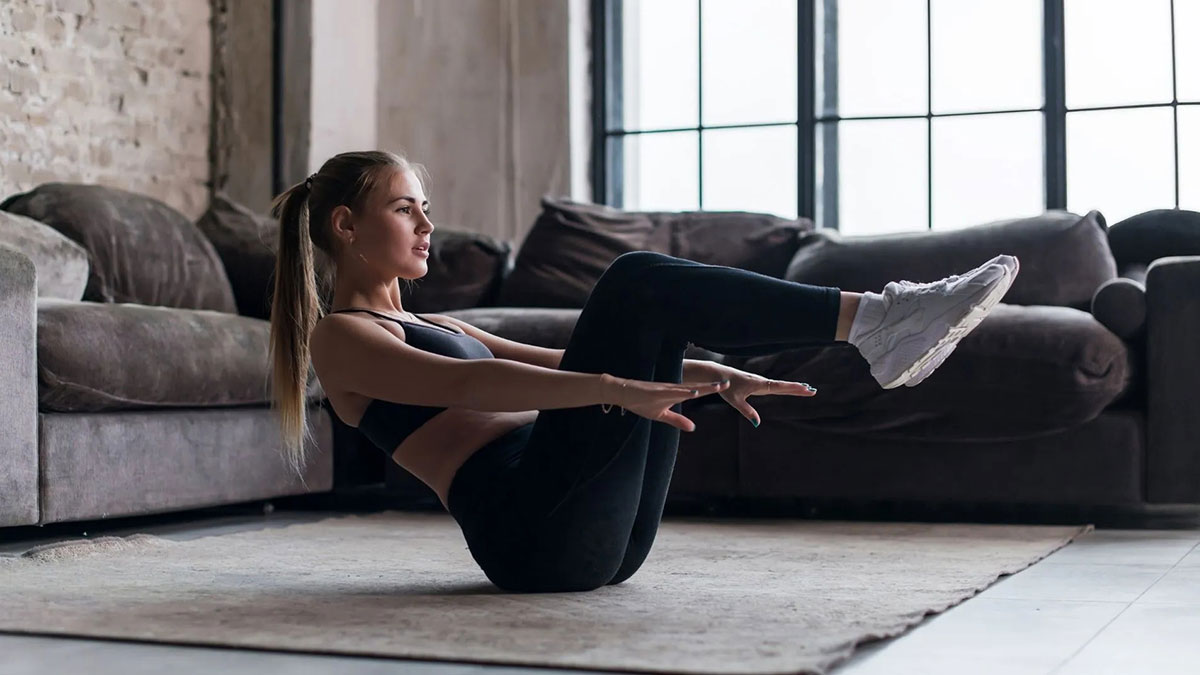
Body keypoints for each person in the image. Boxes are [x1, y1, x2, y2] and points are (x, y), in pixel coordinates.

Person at [269, 150, 1019, 593]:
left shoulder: (436, 323)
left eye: (426, 208)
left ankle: (876, 325)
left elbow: (573, 362)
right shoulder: (341, 337)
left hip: (597, 539)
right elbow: (467, 387)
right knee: (633, 280)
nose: (429, 226)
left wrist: (707, 372)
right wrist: (611, 390)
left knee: (649, 308)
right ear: (346, 225)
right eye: (407, 210)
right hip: (531, 536)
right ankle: (877, 320)